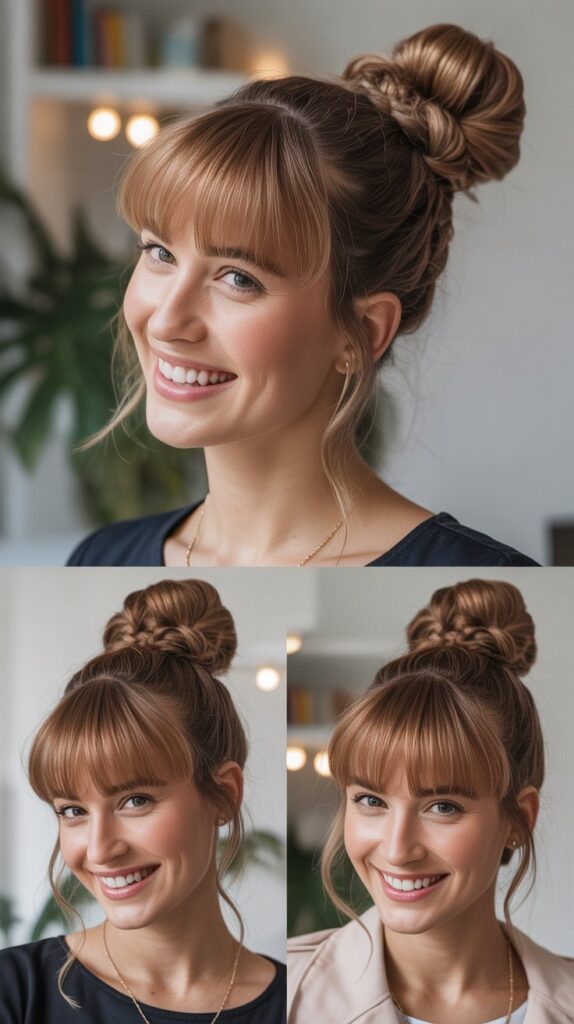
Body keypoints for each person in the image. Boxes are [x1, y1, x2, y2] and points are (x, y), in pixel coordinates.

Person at [67, 23, 537, 567]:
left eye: (239, 278)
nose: (167, 320)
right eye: (159, 252)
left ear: (362, 331)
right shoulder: (100, 560)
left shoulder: (481, 578)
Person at [288, 579, 574, 1022]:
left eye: (443, 806)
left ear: (519, 820)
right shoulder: (281, 994)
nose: (398, 849)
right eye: (371, 800)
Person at [0, 579, 286, 1023]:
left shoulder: (306, 1002)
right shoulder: (15, 992)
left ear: (225, 794)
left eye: (135, 801)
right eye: (73, 811)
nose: (99, 850)